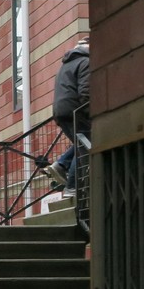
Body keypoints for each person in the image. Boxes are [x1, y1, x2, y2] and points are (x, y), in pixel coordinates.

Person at [44, 37, 91, 198]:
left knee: (81, 143)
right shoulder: (85, 62)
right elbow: (86, 92)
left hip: (61, 112)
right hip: (75, 111)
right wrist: (91, 113)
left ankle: (62, 163)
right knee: (84, 147)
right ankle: (72, 187)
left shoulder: (65, 65)